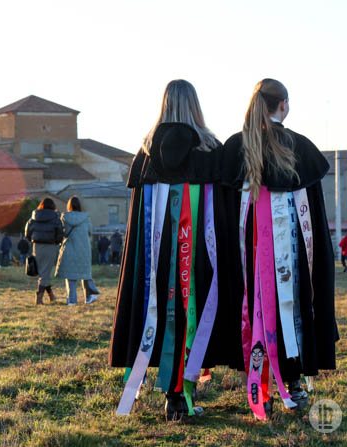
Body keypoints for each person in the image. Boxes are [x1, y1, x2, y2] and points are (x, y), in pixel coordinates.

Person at [219, 78, 338, 419]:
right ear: (283, 104)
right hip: (292, 258)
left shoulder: (236, 147)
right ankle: (293, 384)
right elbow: (315, 215)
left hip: (248, 254)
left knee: (255, 308)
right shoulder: (300, 147)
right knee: (292, 308)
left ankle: (261, 387)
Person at [109, 79, 223, 420]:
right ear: (195, 106)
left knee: (158, 311)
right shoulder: (208, 150)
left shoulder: (146, 151)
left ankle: (174, 396)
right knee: (189, 313)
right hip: (197, 256)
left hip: (153, 260)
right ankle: (180, 394)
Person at [55, 196, 100, 306]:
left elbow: (62, 232)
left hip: (69, 249)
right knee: (85, 274)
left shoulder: (64, 217)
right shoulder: (86, 217)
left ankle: (72, 300)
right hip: (84, 249)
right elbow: (90, 231)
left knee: (70, 276)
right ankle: (88, 297)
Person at [25, 198, 63, 304]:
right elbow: (60, 232)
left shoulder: (34, 217)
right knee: (45, 272)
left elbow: (27, 232)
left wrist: (32, 240)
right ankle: (39, 297)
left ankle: (51, 296)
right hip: (50, 246)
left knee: (43, 272)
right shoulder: (56, 217)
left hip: (37, 246)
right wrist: (57, 242)